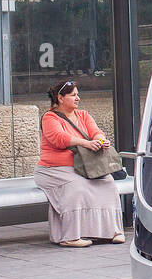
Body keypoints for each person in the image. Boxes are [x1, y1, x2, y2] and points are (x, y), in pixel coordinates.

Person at [35, 80, 124, 248]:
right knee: (77, 186)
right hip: (52, 170)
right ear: (60, 98)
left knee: (108, 183)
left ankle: (111, 232)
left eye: (78, 95)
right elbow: (59, 138)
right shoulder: (49, 117)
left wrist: (101, 141)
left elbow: (96, 132)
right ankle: (70, 236)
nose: (78, 98)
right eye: (73, 95)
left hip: (83, 167)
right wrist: (86, 143)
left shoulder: (83, 115)